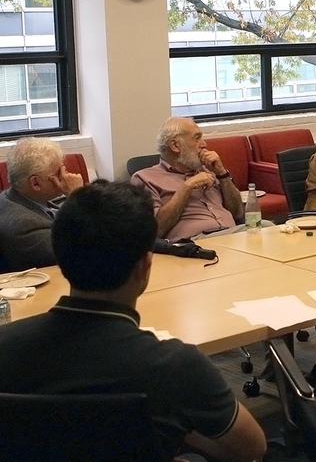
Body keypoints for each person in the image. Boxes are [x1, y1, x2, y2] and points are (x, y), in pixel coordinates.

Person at [0, 181, 267, 462]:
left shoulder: (6, 344)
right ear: (144, 266)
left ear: (61, 258)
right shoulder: (176, 366)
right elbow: (252, 447)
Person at [131, 117, 245, 241]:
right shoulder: (144, 178)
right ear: (175, 145)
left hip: (231, 234)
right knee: (264, 231)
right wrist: (187, 187)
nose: (204, 144)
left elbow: (238, 213)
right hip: (194, 243)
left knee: (265, 227)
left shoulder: (208, 171)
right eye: (197, 138)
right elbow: (156, 229)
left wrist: (222, 173)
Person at [0, 137, 83, 270]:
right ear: (36, 183)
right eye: (59, 173)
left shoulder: (22, 198)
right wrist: (78, 196)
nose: (67, 175)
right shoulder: (23, 224)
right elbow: (81, 252)